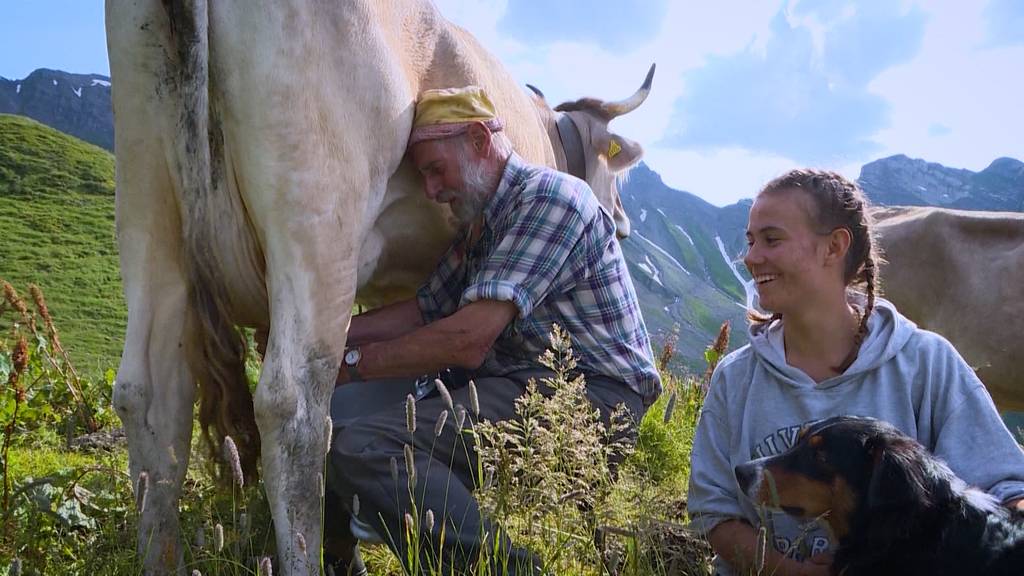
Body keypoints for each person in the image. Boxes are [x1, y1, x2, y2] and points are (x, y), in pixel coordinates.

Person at [323, 85, 661, 575]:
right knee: (348, 435)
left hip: (592, 398)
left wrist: (350, 366)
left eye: (435, 170)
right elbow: (425, 310)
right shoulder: (482, 226)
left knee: (366, 445)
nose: (432, 190)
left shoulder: (553, 198)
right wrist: (329, 333)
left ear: (480, 141)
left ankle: (508, 569)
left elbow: (466, 339)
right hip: (520, 387)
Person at [687, 169, 1024, 576]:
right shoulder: (734, 379)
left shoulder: (926, 363)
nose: (752, 257)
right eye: (750, 241)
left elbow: (1007, 491)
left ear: (834, 247)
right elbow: (714, 513)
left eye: (772, 240)